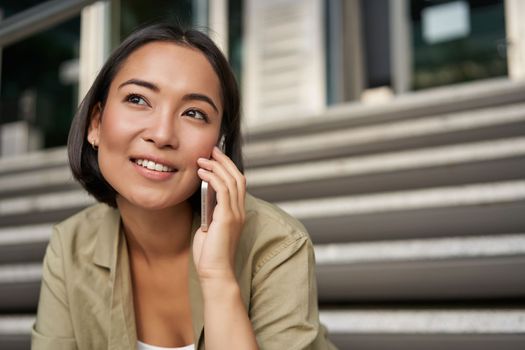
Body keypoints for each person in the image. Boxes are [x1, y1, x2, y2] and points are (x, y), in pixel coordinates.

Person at [31, 23, 337, 350]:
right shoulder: (71, 246)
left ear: (218, 144)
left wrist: (218, 276)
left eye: (194, 113)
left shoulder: (277, 245)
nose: (162, 134)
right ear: (96, 123)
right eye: (138, 99)